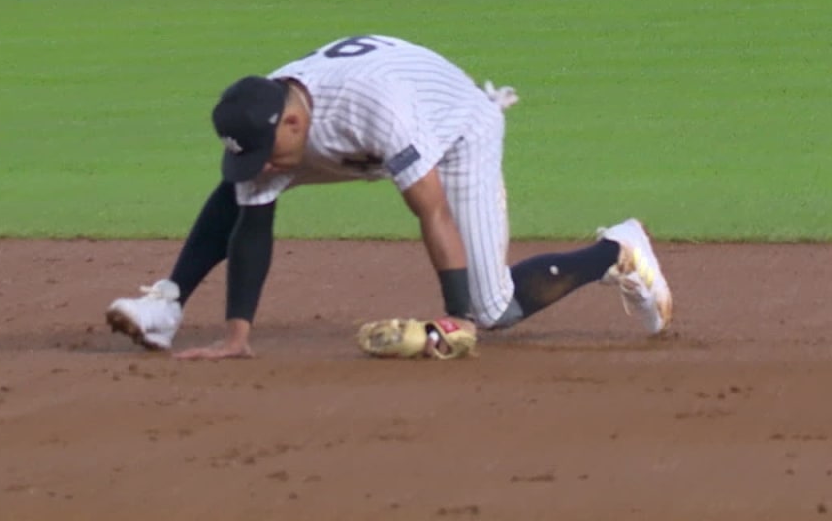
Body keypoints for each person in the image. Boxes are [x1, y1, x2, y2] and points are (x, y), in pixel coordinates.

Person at [105, 34, 673, 360]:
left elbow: (433, 210)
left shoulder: (374, 108)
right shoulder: (270, 114)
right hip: (356, 141)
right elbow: (253, 226)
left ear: (295, 123)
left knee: (491, 310)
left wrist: (456, 319)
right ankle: (168, 303)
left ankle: (618, 250)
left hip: (455, 133)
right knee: (243, 193)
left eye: (266, 151)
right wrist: (237, 336)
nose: (263, 163)